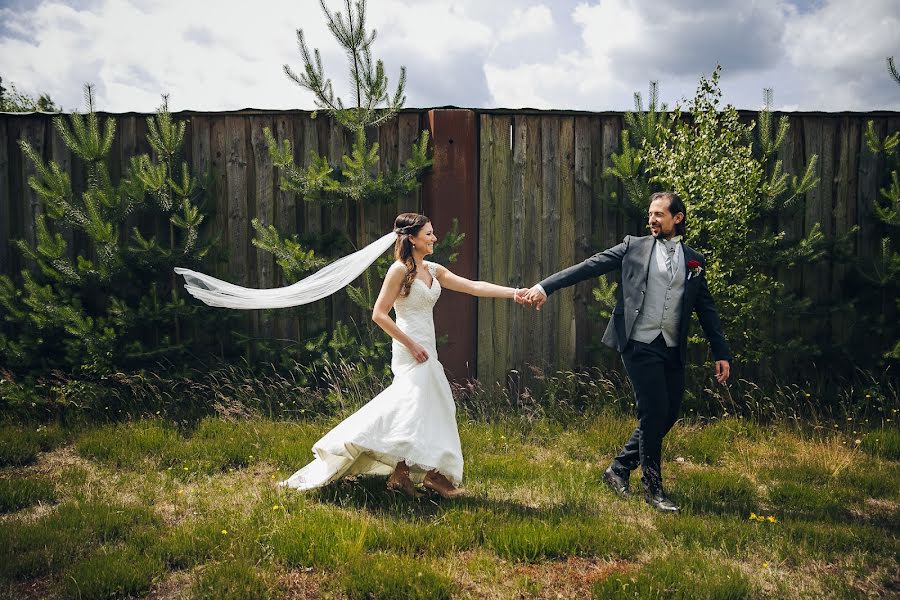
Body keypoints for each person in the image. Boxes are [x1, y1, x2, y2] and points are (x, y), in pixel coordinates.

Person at [176, 212, 523, 499]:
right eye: (430, 234)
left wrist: (515, 293)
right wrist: (410, 344)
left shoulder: (434, 272)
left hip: (426, 349)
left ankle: (406, 475)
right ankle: (429, 475)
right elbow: (379, 314)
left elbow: (475, 287)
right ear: (413, 238)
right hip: (409, 349)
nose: (435, 238)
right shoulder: (399, 271)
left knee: (425, 408)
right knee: (423, 406)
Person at [521, 192, 732, 512]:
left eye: (659, 214)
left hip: (671, 345)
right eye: (650, 214)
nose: (652, 219)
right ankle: (653, 489)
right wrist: (544, 286)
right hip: (638, 342)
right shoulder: (634, 246)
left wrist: (721, 352)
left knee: (669, 412)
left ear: (678, 218)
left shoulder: (695, 261)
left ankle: (618, 469)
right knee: (653, 411)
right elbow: (589, 267)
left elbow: (706, 309)